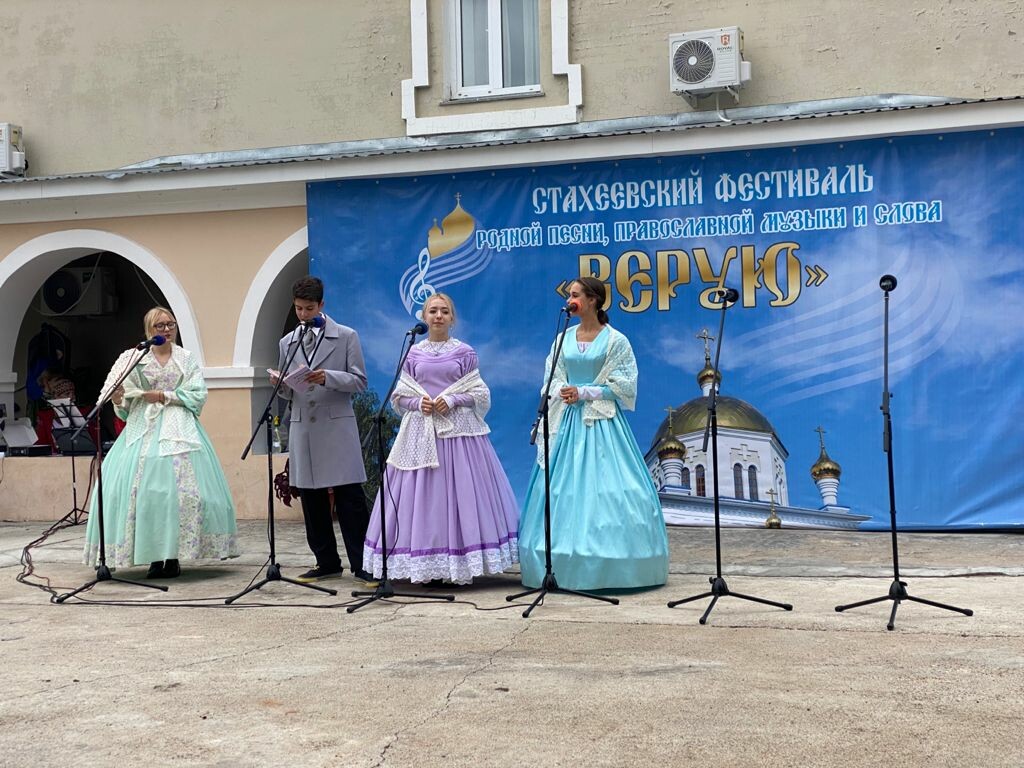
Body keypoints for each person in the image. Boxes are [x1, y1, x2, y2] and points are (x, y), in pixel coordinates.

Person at [519, 277, 669, 591]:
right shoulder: (563, 338)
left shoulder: (616, 340)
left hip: (601, 423)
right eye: (569, 295)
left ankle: (611, 564)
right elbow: (551, 376)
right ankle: (556, 560)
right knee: (560, 489)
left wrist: (585, 392)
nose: (569, 300)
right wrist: (563, 390)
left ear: (593, 300)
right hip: (566, 422)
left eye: (575, 295)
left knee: (610, 487)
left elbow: (625, 386)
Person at [362, 293, 519, 585]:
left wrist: (453, 399)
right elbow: (399, 396)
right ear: (423, 316)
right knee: (423, 496)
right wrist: (416, 403)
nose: (438, 316)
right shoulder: (412, 354)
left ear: (452, 318)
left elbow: (479, 393)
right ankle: (424, 562)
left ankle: (458, 562)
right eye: (433, 311)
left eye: (444, 311)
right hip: (420, 434)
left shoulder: (465, 352)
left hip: (458, 436)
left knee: (461, 493)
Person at [83, 307, 239, 577]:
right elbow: (124, 406)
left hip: (178, 427)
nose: (166, 330)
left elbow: (198, 394)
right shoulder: (135, 358)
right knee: (141, 493)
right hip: (142, 427)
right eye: (160, 326)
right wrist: (118, 397)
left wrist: (163, 395)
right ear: (149, 330)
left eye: (170, 325)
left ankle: (173, 555)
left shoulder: (185, 358)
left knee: (181, 492)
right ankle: (153, 556)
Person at [274, 276, 374, 584]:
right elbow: (287, 391)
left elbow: (359, 381)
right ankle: (326, 561)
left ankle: (363, 564)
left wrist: (327, 377)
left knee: (349, 499)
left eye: (308, 308)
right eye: (298, 309)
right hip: (304, 426)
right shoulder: (287, 342)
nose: (303, 314)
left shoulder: (346, 336)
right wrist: (281, 384)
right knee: (311, 498)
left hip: (336, 425)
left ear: (321, 305)